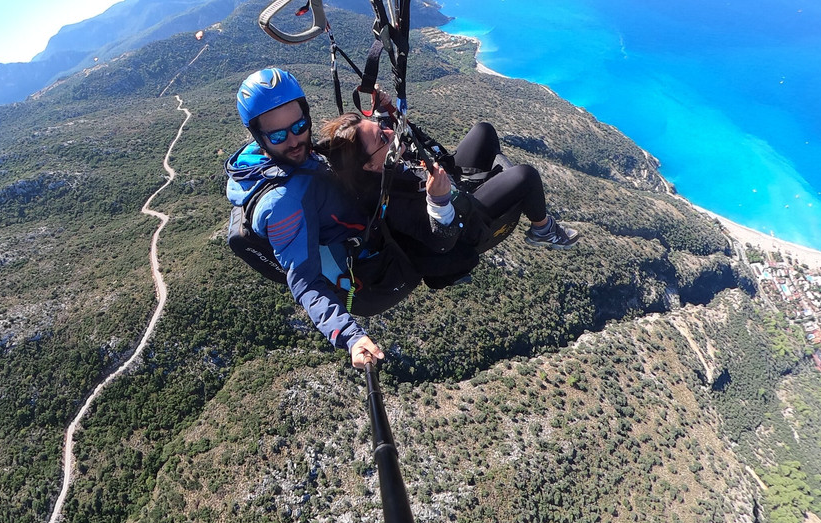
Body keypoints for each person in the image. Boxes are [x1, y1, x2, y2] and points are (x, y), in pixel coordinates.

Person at [225, 68, 386, 369]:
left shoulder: (260, 159)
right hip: (369, 270)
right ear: (259, 137)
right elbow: (305, 283)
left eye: (299, 125)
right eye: (277, 135)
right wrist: (351, 337)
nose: (295, 140)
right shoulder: (284, 204)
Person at [317, 112, 579, 275]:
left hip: (455, 187)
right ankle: (544, 230)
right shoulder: (389, 202)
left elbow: (405, 136)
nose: (388, 133)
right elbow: (440, 243)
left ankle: (484, 186)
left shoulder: (382, 165)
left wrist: (390, 111)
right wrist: (439, 201)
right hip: (464, 224)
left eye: (379, 126)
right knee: (526, 176)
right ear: (370, 166)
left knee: (484, 130)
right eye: (382, 138)